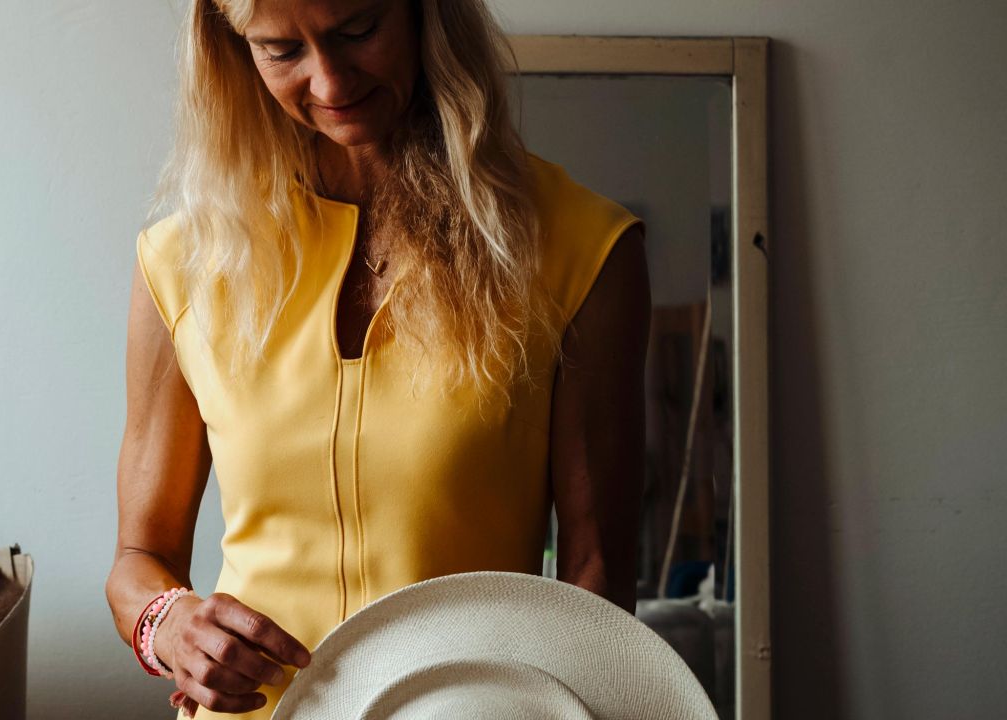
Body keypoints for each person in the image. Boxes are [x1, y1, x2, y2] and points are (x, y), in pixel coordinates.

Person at [105, 0, 649, 717]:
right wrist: (168, 625)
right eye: (280, 51)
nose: (329, 84)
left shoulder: (580, 249)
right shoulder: (181, 263)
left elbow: (596, 578)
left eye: (357, 30)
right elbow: (138, 561)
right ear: (234, 51)